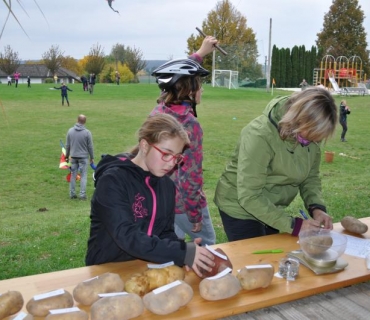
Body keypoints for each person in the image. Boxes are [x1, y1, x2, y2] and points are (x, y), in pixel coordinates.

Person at [85, 113, 215, 277]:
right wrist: (181, 252)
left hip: (146, 269)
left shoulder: (166, 185)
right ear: (145, 146)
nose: (171, 163)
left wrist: (185, 251)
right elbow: (127, 236)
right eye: (166, 154)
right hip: (106, 272)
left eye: (177, 157)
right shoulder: (112, 181)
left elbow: (165, 232)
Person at [214, 87, 338, 241]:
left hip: (270, 206)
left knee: (274, 254)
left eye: (317, 138)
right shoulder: (259, 135)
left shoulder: (308, 137)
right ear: (299, 119)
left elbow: (310, 177)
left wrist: (316, 207)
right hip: (239, 207)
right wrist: (295, 225)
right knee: (255, 260)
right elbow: (249, 196)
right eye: (310, 136)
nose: (313, 142)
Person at [150, 36, 217, 246]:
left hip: (161, 200)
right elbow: (191, 177)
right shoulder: (189, 125)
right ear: (188, 90)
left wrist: (200, 54)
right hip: (182, 204)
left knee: (172, 246)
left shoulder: (158, 113)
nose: (202, 89)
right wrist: (195, 213)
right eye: (198, 85)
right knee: (208, 243)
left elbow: (175, 78)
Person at [65, 114, 95, 200]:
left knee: (73, 175)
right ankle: (82, 195)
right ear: (84, 122)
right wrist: (92, 157)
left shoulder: (70, 131)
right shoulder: (87, 133)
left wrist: (67, 156)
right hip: (84, 157)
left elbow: (67, 145)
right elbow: (90, 146)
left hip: (73, 157)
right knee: (83, 175)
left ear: (77, 120)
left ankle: (72, 194)